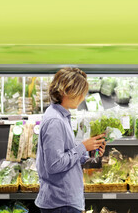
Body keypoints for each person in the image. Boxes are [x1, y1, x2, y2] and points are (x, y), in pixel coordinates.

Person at [35, 68, 106, 213]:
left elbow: (65, 157)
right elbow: (54, 165)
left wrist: (89, 153)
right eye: (80, 92)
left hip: (64, 201)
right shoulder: (55, 121)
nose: (82, 97)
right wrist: (82, 147)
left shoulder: (61, 116)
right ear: (66, 91)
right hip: (61, 203)